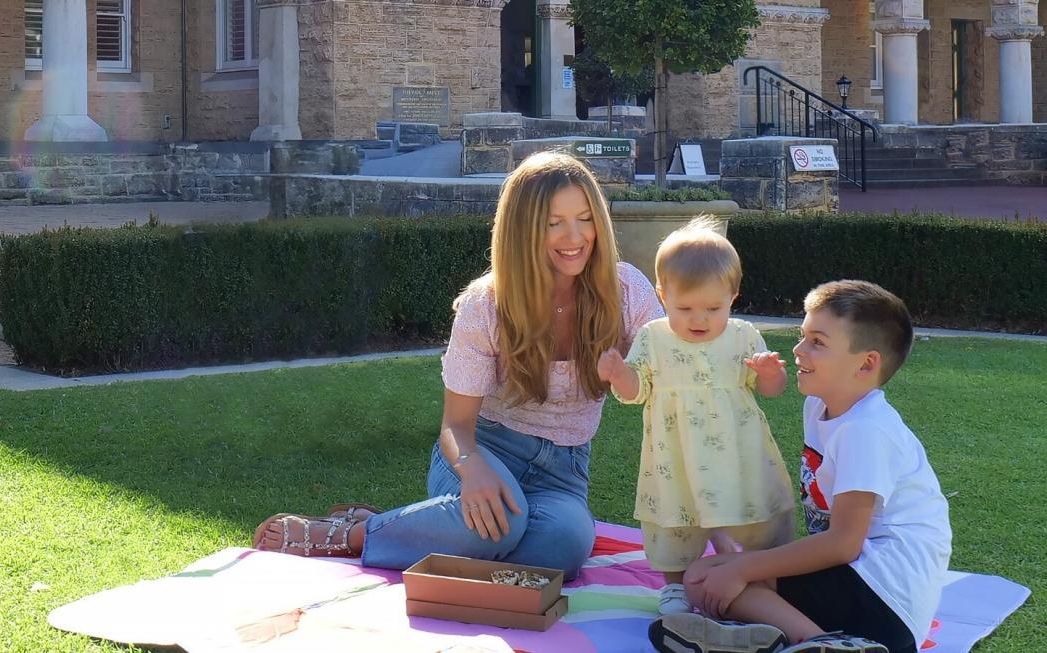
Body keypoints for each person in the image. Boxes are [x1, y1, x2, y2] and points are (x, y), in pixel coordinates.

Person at [251, 151, 662, 579]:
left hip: (563, 471)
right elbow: (455, 426)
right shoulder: (486, 304)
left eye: (584, 218)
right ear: (523, 229)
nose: (574, 236)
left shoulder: (625, 290)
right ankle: (351, 534)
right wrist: (473, 469)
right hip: (483, 448)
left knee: (561, 550)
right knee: (497, 530)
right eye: (553, 222)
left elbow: (672, 361)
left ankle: (420, 526)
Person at [649, 280, 952, 653]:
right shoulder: (819, 407)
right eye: (803, 336)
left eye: (817, 342)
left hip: (885, 598)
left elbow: (844, 544)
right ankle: (786, 640)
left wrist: (743, 569)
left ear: (866, 363)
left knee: (717, 577)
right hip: (858, 585)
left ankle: (818, 643)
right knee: (704, 576)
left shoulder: (866, 430)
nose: (797, 350)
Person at [597, 217, 797, 616]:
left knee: (756, 509)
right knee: (675, 518)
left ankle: (767, 573)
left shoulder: (742, 336)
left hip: (738, 453)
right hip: (675, 458)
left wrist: (772, 374)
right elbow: (638, 393)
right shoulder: (653, 337)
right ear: (662, 295)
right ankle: (674, 583)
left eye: (713, 308)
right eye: (684, 308)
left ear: (733, 296)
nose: (699, 319)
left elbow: (770, 391)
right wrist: (621, 375)